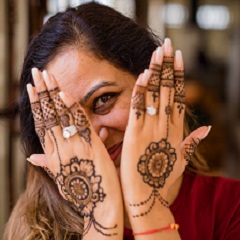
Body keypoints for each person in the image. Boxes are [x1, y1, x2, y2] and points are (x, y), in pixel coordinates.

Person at [3, 2, 240, 240]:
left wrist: (149, 208)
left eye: (104, 99)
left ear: (154, 87)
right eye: (67, 122)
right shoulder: (31, 230)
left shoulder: (231, 209)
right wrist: (101, 216)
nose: (94, 137)